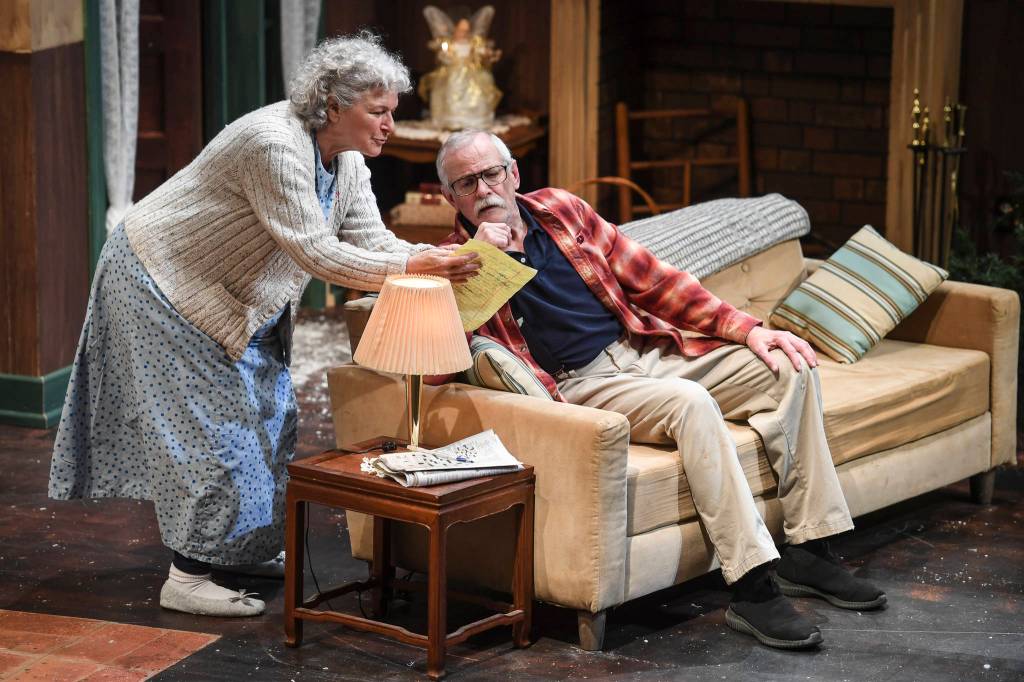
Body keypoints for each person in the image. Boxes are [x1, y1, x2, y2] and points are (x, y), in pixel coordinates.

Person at [48, 33, 479, 619]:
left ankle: (239, 551)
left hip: (237, 290)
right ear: (332, 105)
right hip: (163, 277)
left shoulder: (346, 159)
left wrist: (436, 262)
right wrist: (414, 264)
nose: (389, 127)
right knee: (212, 426)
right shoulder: (272, 143)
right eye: (377, 113)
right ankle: (190, 575)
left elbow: (370, 241)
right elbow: (317, 253)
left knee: (271, 416)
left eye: (391, 113)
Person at [432, 130, 886, 650]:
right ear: (451, 198)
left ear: (513, 174)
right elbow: (444, 355)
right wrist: (477, 261)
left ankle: (810, 550)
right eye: (467, 183)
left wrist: (750, 329)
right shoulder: (452, 262)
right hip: (582, 386)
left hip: (645, 352)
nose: (484, 189)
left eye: (492, 174)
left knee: (788, 366)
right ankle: (752, 588)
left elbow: (656, 282)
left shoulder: (563, 211)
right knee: (691, 405)